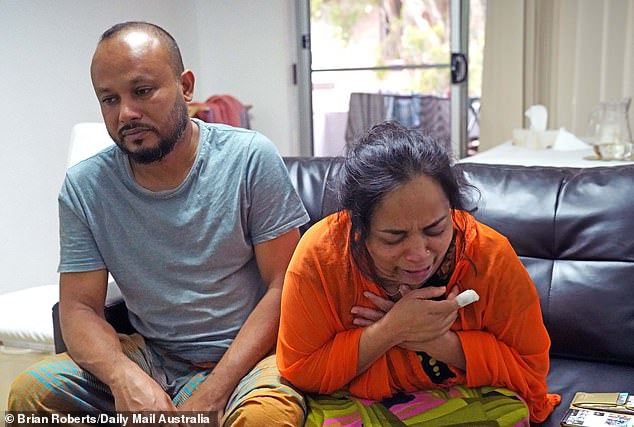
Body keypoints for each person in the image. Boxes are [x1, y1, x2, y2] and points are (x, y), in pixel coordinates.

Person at [9, 21, 309, 426]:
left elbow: (285, 287)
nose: (126, 113)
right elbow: (79, 307)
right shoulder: (85, 188)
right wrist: (124, 377)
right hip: (152, 356)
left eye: (142, 91)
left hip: (250, 360)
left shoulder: (249, 160)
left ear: (186, 87)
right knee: (32, 394)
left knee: (267, 419)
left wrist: (215, 389)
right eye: (109, 99)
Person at [276, 121, 561, 425]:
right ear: (358, 230)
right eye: (393, 237)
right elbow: (300, 370)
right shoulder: (322, 257)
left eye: (435, 229)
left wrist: (432, 340)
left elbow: (530, 372)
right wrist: (389, 330)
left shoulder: (490, 256)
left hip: (464, 402)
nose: (419, 255)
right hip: (354, 407)